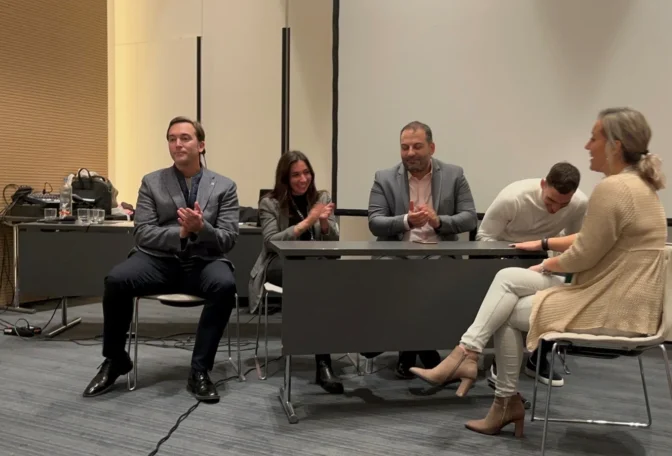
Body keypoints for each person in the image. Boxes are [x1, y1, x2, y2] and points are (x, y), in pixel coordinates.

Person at [410, 107, 668, 437]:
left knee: (505, 309)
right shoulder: (640, 186)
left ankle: (491, 387)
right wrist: (546, 250)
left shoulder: (614, 188)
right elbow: (592, 243)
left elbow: (583, 254)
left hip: (611, 308)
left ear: (615, 146)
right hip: (630, 305)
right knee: (506, 281)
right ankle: (472, 361)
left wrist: (545, 262)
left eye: (593, 138)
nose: (587, 146)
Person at [83, 116, 239, 403]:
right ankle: (115, 359)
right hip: (159, 261)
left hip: (204, 262)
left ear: (201, 145)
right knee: (116, 280)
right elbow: (142, 232)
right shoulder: (152, 181)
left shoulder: (225, 186)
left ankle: (199, 370)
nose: (177, 144)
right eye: (171, 139)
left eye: (185, 138)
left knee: (225, 285)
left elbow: (228, 238)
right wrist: (181, 232)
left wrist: (201, 228)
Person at [365, 120, 477, 378]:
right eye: (404, 147)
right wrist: (406, 220)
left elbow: (470, 218)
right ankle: (423, 351)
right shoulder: (384, 177)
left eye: (417, 146)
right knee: (400, 282)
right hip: (398, 254)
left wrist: (439, 221)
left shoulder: (454, 175)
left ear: (431, 148)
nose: (410, 153)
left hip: (439, 253)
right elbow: (375, 222)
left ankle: (407, 349)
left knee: (432, 283)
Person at [477, 162, 588, 390]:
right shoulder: (513, 197)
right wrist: (501, 262)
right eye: (550, 201)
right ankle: (502, 358)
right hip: (505, 253)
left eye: (563, 204)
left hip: (541, 256)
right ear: (543, 184)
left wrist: (556, 265)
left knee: (554, 297)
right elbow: (485, 237)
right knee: (509, 292)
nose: (555, 209)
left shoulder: (579, 203)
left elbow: (574, 242)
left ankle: (537, 358)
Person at [247, 150, 343, 394]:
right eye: (296, 175)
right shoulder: (270, 202)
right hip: (279, 263)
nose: (303, 179)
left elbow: (334, 240)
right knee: (318, 283)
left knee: (328, 281)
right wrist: (307, 223)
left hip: (314, 266)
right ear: (285, 178)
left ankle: (328, 354)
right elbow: (271, 241)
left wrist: (323, 223)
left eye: (306, 173)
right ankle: (323, 363)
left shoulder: (321, 197)